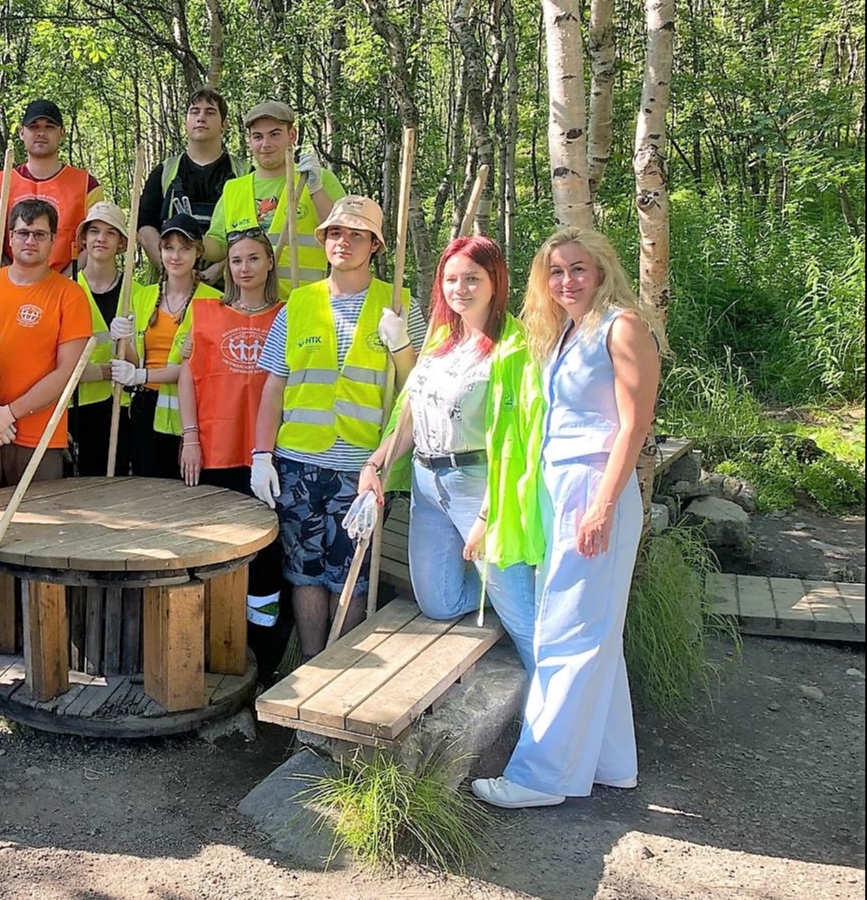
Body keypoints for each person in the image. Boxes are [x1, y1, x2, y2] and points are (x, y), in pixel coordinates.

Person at [472, 228, 665, 810]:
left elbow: (635, 423)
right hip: (562, 487)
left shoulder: (621, 326)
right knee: (592, 630)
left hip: (594, 486)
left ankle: (543, 776)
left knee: (567, 629)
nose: (567, 281)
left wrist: (604, 504)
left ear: (602, 269)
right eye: (556, 272)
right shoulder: (565, 333)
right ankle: (610, 762)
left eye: (578, 269)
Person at [356, 235, 541, 673]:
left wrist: (487, 517)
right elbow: (409, 415)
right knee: (438, 603)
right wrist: (374, 465)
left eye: (473, 278)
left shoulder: (514, 348)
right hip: (427, 483)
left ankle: (554, 712)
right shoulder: (442, 339)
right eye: (452, 279)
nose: (460, 288)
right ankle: (503, 586)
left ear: (496, 281)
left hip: (479, 486)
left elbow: (518, 440)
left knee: (523, 620)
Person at [251, 196, 423, 659]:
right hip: (299, 463)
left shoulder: (400, 303)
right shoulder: (298, 304)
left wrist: (402, 345)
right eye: (335, 233)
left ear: (375, 245)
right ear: (324, 240)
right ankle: (311, 668)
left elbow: (419, 389)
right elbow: (274, 386)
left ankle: (341, 668)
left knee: (351, 575)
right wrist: (261, 455)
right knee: (304, 572)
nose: (343, 241)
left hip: (365, 470)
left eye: (356, 234)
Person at [177, 226, 295, 681]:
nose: (244, 269)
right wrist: (190, 437)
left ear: (269, 262)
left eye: (252, 259)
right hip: (215, 449)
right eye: (236, 260)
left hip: (268, 455)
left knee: (265, 555)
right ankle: (212, 643)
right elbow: (188, 376)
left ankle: (262, 653)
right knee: (215, 546)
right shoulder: (206, 312)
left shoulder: (289, 313)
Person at [0, 199, 93, 489]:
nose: (30, 240)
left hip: (39, 436)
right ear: (10, 237)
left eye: (40, 234)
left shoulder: (70, 295)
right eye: (23, 232)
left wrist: (9, 413)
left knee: (39, 525)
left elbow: (67, 373)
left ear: (53, 239)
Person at [108, 213, 220, 479]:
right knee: (149, 490)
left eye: (185, 248)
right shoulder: (142, 296)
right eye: (169, 247)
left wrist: (139, 375)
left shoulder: (214, 302)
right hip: (146, 410)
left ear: (198, 252)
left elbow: (195, 368)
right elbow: (134, 361)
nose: (176, 256)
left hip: (192, 412)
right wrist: (121, 340)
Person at [203, 101, 345, 292]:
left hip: (302, 304)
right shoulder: (234, 189)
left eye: (275, 134)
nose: (265, 144)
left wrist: (316, 189)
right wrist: (189, 240)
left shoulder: (317, 179)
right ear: (250, 141)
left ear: (292, 135)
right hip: (247, 309)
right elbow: (218, 246)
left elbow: (343, 234)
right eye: (258, 136)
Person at [136, 88, 248, 269]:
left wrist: (215, 273)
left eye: (210, 112)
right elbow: (145, 225)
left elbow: (251, 233)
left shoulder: (244, 173)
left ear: (224, 125)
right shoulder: (165, 172)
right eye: (195, 111)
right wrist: (169, 270)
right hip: (169, 288)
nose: (201, 117)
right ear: (186, 122)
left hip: (230, 286)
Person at [68, 202, 140, 476]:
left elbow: (141, 361)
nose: (101, 238)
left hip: (120, 409)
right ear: (84, 239)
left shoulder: (138, 292)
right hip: (76, 408)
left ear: (122, 243)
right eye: (94, 231)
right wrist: (106, 371)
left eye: (110, 233)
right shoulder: (69, 291)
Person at [0, 99, 104, 272]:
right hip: (9, 283)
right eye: (34, 127)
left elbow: (95, 240)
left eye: (49, 127)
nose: (41, 133)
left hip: (67, 283)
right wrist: (11, 275)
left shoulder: (87, 185)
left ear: (62, 133)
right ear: (21, 132)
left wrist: (65, 279)